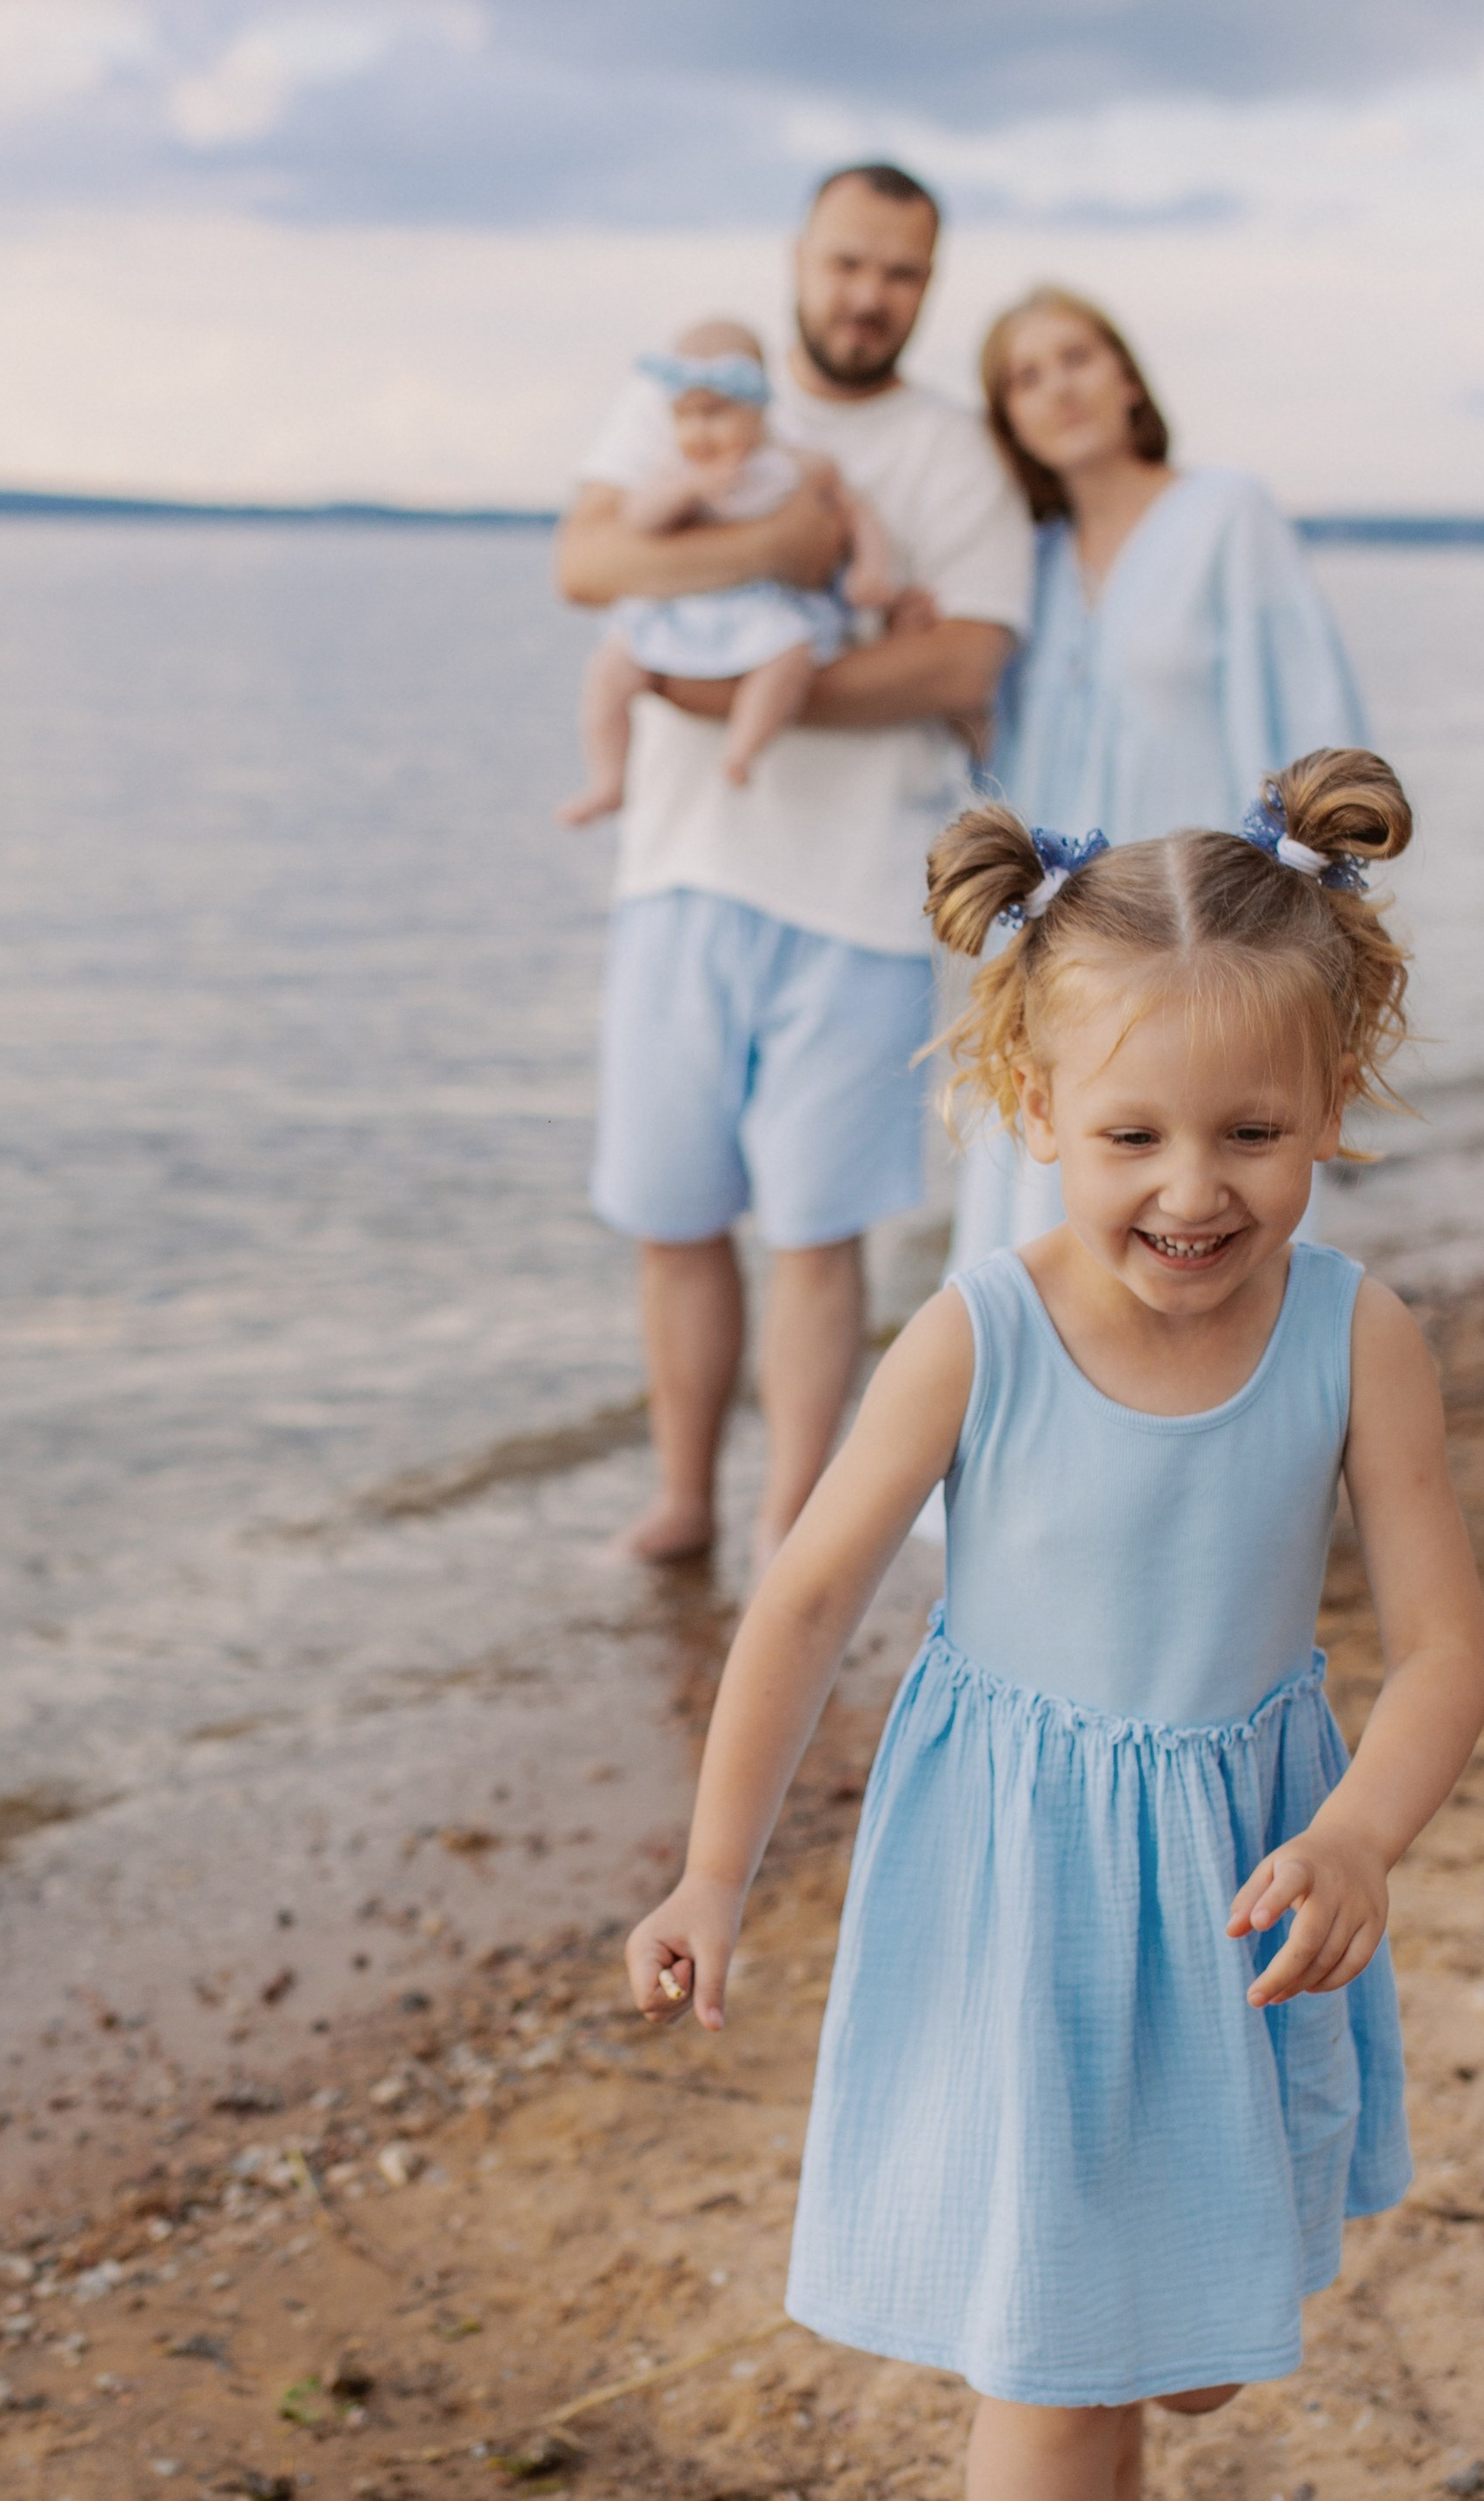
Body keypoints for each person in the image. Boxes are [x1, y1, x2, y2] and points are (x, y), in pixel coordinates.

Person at [626, 748, 1484, 2501]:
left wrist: (1364, 1835)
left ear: (1331, 1099)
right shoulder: (982, 1330)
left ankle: (1116, 2408)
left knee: (1188, 2358)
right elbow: (809, 1590)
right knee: (1044, 2342)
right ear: (1028, 1111)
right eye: (1127, 1137)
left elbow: (1445, 1649)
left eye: (1247, 1134)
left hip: (1228, 1878)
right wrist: (711, 1871)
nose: (1186, 1190)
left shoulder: (1351, 1337)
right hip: (1017, 1881)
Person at [556, 166, 1030, 1570]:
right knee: (670, 1212)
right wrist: (782, 551)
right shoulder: (695, 390)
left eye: (899, 273)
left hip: (860, 905)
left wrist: (737, 688)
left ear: (926, 286)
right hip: (680, 879)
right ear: (800, 259)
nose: (867, 295)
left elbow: (965, 656)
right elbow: (583, 561)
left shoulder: (952, 454)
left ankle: (787, 1523)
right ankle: (684, 1496)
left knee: (818, 1239)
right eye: (847, 263)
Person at [955, 288, 1370, 1266]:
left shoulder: (1228, 514)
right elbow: (995, 753)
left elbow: (1316, 723)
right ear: (1006, 420)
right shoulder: (1030, 562)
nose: (1058, 387)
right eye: (1026, 376)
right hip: (1061, 951)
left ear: (1128, 374)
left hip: (1208, 948)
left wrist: (1309, 933)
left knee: (1208, 1212)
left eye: (1078, 357)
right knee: (1043, 1225)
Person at [559, 319, 894, 821]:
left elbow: (853, 508)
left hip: (764, 603)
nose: (699, 431)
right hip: (685, 605)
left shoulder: (790, 463)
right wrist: (690, 489)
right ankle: (608, 777)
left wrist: (871, 565)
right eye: (684, 416)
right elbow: (637, 519)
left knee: (790, 656)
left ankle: (743, 748)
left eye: (716, 414)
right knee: (610, 669)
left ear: (758, 410)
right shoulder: (676, 469)